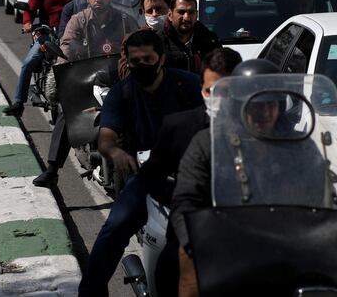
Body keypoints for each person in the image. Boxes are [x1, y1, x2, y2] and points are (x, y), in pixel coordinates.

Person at [77, 29, 204, 297]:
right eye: (135, 61)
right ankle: (90, 291)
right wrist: (117, 153)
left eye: (147, 59)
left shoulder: (190, 85)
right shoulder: (122, 93)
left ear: (161, 59)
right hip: (149, 175)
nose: (141, 66)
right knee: (115, 227)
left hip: (199, 173)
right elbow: (106, 138)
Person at [170, 58, 280, 297]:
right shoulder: (208, 143)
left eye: (270, 104)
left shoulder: (298, 144)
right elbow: (185, 203)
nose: (264, 113)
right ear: (238, 105)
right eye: (255, 105)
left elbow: (323, 194)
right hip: (222, 244)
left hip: (282, 242)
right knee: (187, 259)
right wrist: (197, 243)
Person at [139, 47, 242, 297]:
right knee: (169, 271)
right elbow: (150, 176)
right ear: (202, 91)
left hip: (246, 229)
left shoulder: (260, 123)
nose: (219, 98)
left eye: (227, 91)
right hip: (192, 227)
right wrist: (182, 194)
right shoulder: (179, 127)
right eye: (212, 91)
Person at [35, 0, 138, 186]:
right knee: (67, 115)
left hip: (119, 81)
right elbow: (66, 46)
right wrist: (65, 61)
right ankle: (53, 170)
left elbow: (139, 44)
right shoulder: (78, 20)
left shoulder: (125, 20)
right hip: (86, 80)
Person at [4, 0, 72, 117]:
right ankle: (19, 103)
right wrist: (27, 22)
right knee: (29, 62)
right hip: (46, 34)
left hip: (69, 33)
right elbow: (30, 9)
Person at [156, 0, 220, 75]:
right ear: (170, 15)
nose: (186, 17)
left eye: (191, 12)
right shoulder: (158, 42)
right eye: (181, 12)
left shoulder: (210, 40)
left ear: (196, 15)